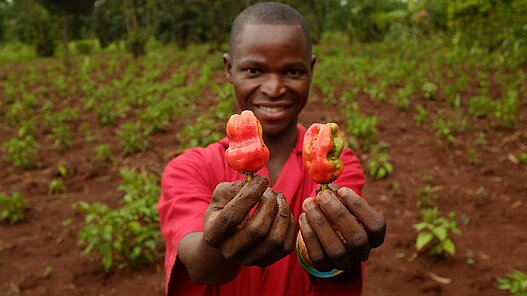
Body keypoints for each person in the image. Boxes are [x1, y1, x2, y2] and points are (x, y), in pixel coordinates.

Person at [157, 2, 386, 295]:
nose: (275, 88)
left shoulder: (343, 165)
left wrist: (339, 257)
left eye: (293, 71)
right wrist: (218, 247)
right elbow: (201, 267)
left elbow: (333, 269)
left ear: (311, 69)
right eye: (254, 70)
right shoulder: (190, 168)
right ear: (229, 69)